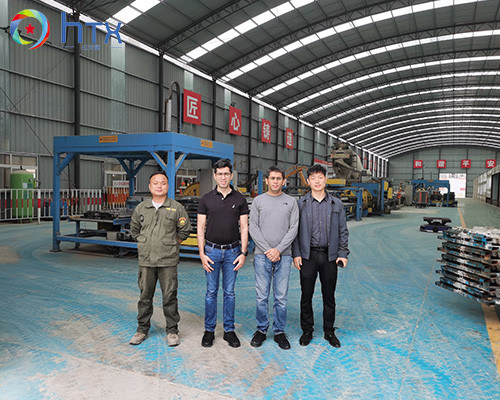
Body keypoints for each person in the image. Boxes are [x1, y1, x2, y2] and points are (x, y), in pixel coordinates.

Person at [129, 171, 191, 346]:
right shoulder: (141, 208)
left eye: (163, 183)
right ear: (150, 186)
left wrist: (172, 243)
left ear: (168, 186)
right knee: (145, 296)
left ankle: (172, 330)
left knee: (169, 296)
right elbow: (134, 230)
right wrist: (145, 243)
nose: (159, 186)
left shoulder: (176, 208)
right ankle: (142, 329)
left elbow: (185, 230)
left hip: (168, 260)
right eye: (155, 183)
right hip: (146, 260)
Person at [292, 164, 349, 348]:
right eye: (313, 178)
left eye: (320, 177)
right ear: (308, 181)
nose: (317, 181)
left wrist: (342, 253)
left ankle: (329, 331)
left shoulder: (336, 204)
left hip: (329, 256)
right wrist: (296, 254)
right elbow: (294, 231)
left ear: (325, 180)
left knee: (329, 295)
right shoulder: (300, 204)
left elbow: (343, 231)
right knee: (306, 295)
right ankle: (307, 330)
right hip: (307, 255)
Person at [197, 159, 249, 348]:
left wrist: (243, 253)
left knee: (230, 293)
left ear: (231, 175)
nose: (223, 177)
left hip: (232, 252)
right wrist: (202, 254)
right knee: (211, 292)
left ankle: (229, 331)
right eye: (219, 174)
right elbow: (200, 229)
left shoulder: (240, 199)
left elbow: (244, 228)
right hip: (211, 252)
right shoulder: (206, 199)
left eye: (226, 173)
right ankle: (209, 330)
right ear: (215, 175)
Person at [249, 166, 299, 350]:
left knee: (281, 297)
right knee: (261, 296)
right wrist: (268, 250)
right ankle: (261, 330)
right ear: (267, 181)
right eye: (272, 178)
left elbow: (293, 228)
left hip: (284, 256)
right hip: (262, 256)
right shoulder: (258, 201)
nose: (275, 181)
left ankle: (279, 332)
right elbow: (253, 227)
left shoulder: (291, 202)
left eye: (279, 178)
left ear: (284, 181)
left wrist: (278, 250)